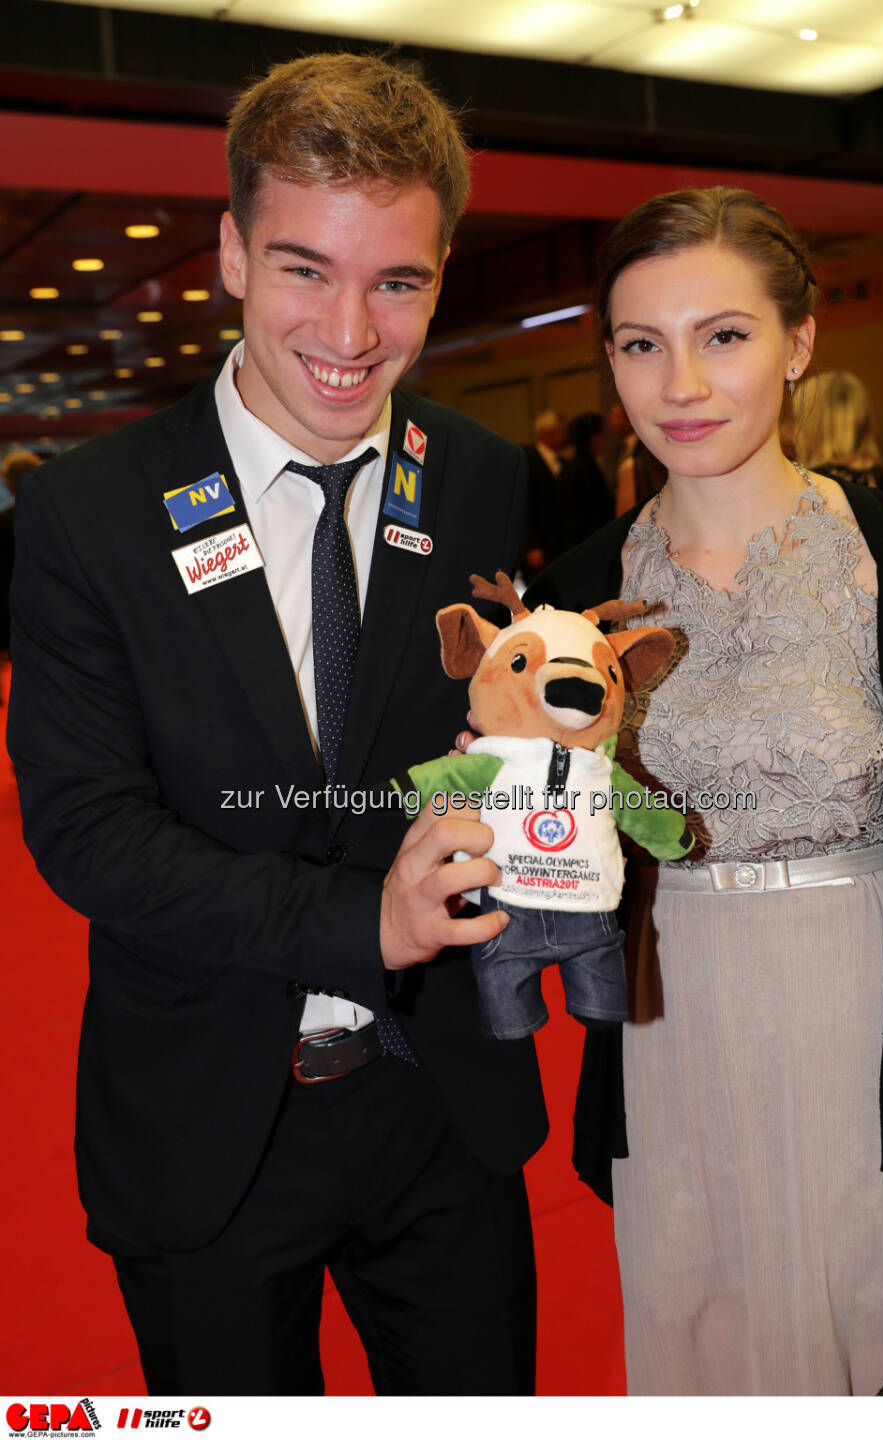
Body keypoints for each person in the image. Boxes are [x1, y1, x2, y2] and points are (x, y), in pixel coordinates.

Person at [7, 52, 547, 1397]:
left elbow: (502, 730)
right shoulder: (93, 512)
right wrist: (356, 923)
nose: (352, 333)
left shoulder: (479, 480)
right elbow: (86, 834)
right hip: (210, 1114)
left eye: (399, 281)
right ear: (234, 255)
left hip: (442, 1100)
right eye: (307, 268)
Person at [526, 187, 883, 1395]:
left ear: (799, 344)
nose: (678, 382)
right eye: (642, 344)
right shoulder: (581, 590)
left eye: (723, 336)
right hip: (670, 1049)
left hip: (877, 1048)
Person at [793, 369, 883, 493]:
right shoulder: (881, 478)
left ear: (812, 425)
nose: (793, 428)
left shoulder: (809, 484)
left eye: (797, 419)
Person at [0, 448, 41, 654]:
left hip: (11, 611)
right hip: (49, 609)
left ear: (9, 482)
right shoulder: (57, 520)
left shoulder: (4, 522)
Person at [520, 409, 568, 577]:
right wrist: (530, 546)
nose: (564, 436)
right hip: (540, 543)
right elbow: (524, 506)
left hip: (562, 544)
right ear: (544, 432)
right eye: (558, 431)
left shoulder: (564, 463)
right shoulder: (527, 461)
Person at [559, 412, 613, 548]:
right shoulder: (586, 467)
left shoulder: (572, 465)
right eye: (601, 434)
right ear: (593, 438)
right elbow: (596, 512)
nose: (604, 440)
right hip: (590, 541)